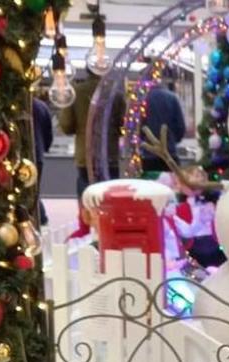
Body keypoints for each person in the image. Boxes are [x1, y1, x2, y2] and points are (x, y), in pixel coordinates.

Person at [60, 70, 126, 238]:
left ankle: (87, 231)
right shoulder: (115, 94)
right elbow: (123, 126)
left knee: (86, 193)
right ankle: (111, 232)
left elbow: (66, 125)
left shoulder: (76, 92)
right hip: (109, 154)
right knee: (110, 195)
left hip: (85, 155)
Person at [140, 71, 187, 175]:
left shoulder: (143, 100)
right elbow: (181, 127)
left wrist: (143, 142)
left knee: (152, 188)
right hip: (170, 155)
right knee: (171, 188)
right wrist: (173, 140)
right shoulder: (172, 98)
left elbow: (138, 128)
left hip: (149, 156)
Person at [32, 93, 53, 225]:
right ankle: (40, 217)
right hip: (38, 153)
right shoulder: (41, 107)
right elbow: (48, 132)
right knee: (35, 190)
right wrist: (45, 147)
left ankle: (40, 216)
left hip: (22, 153)